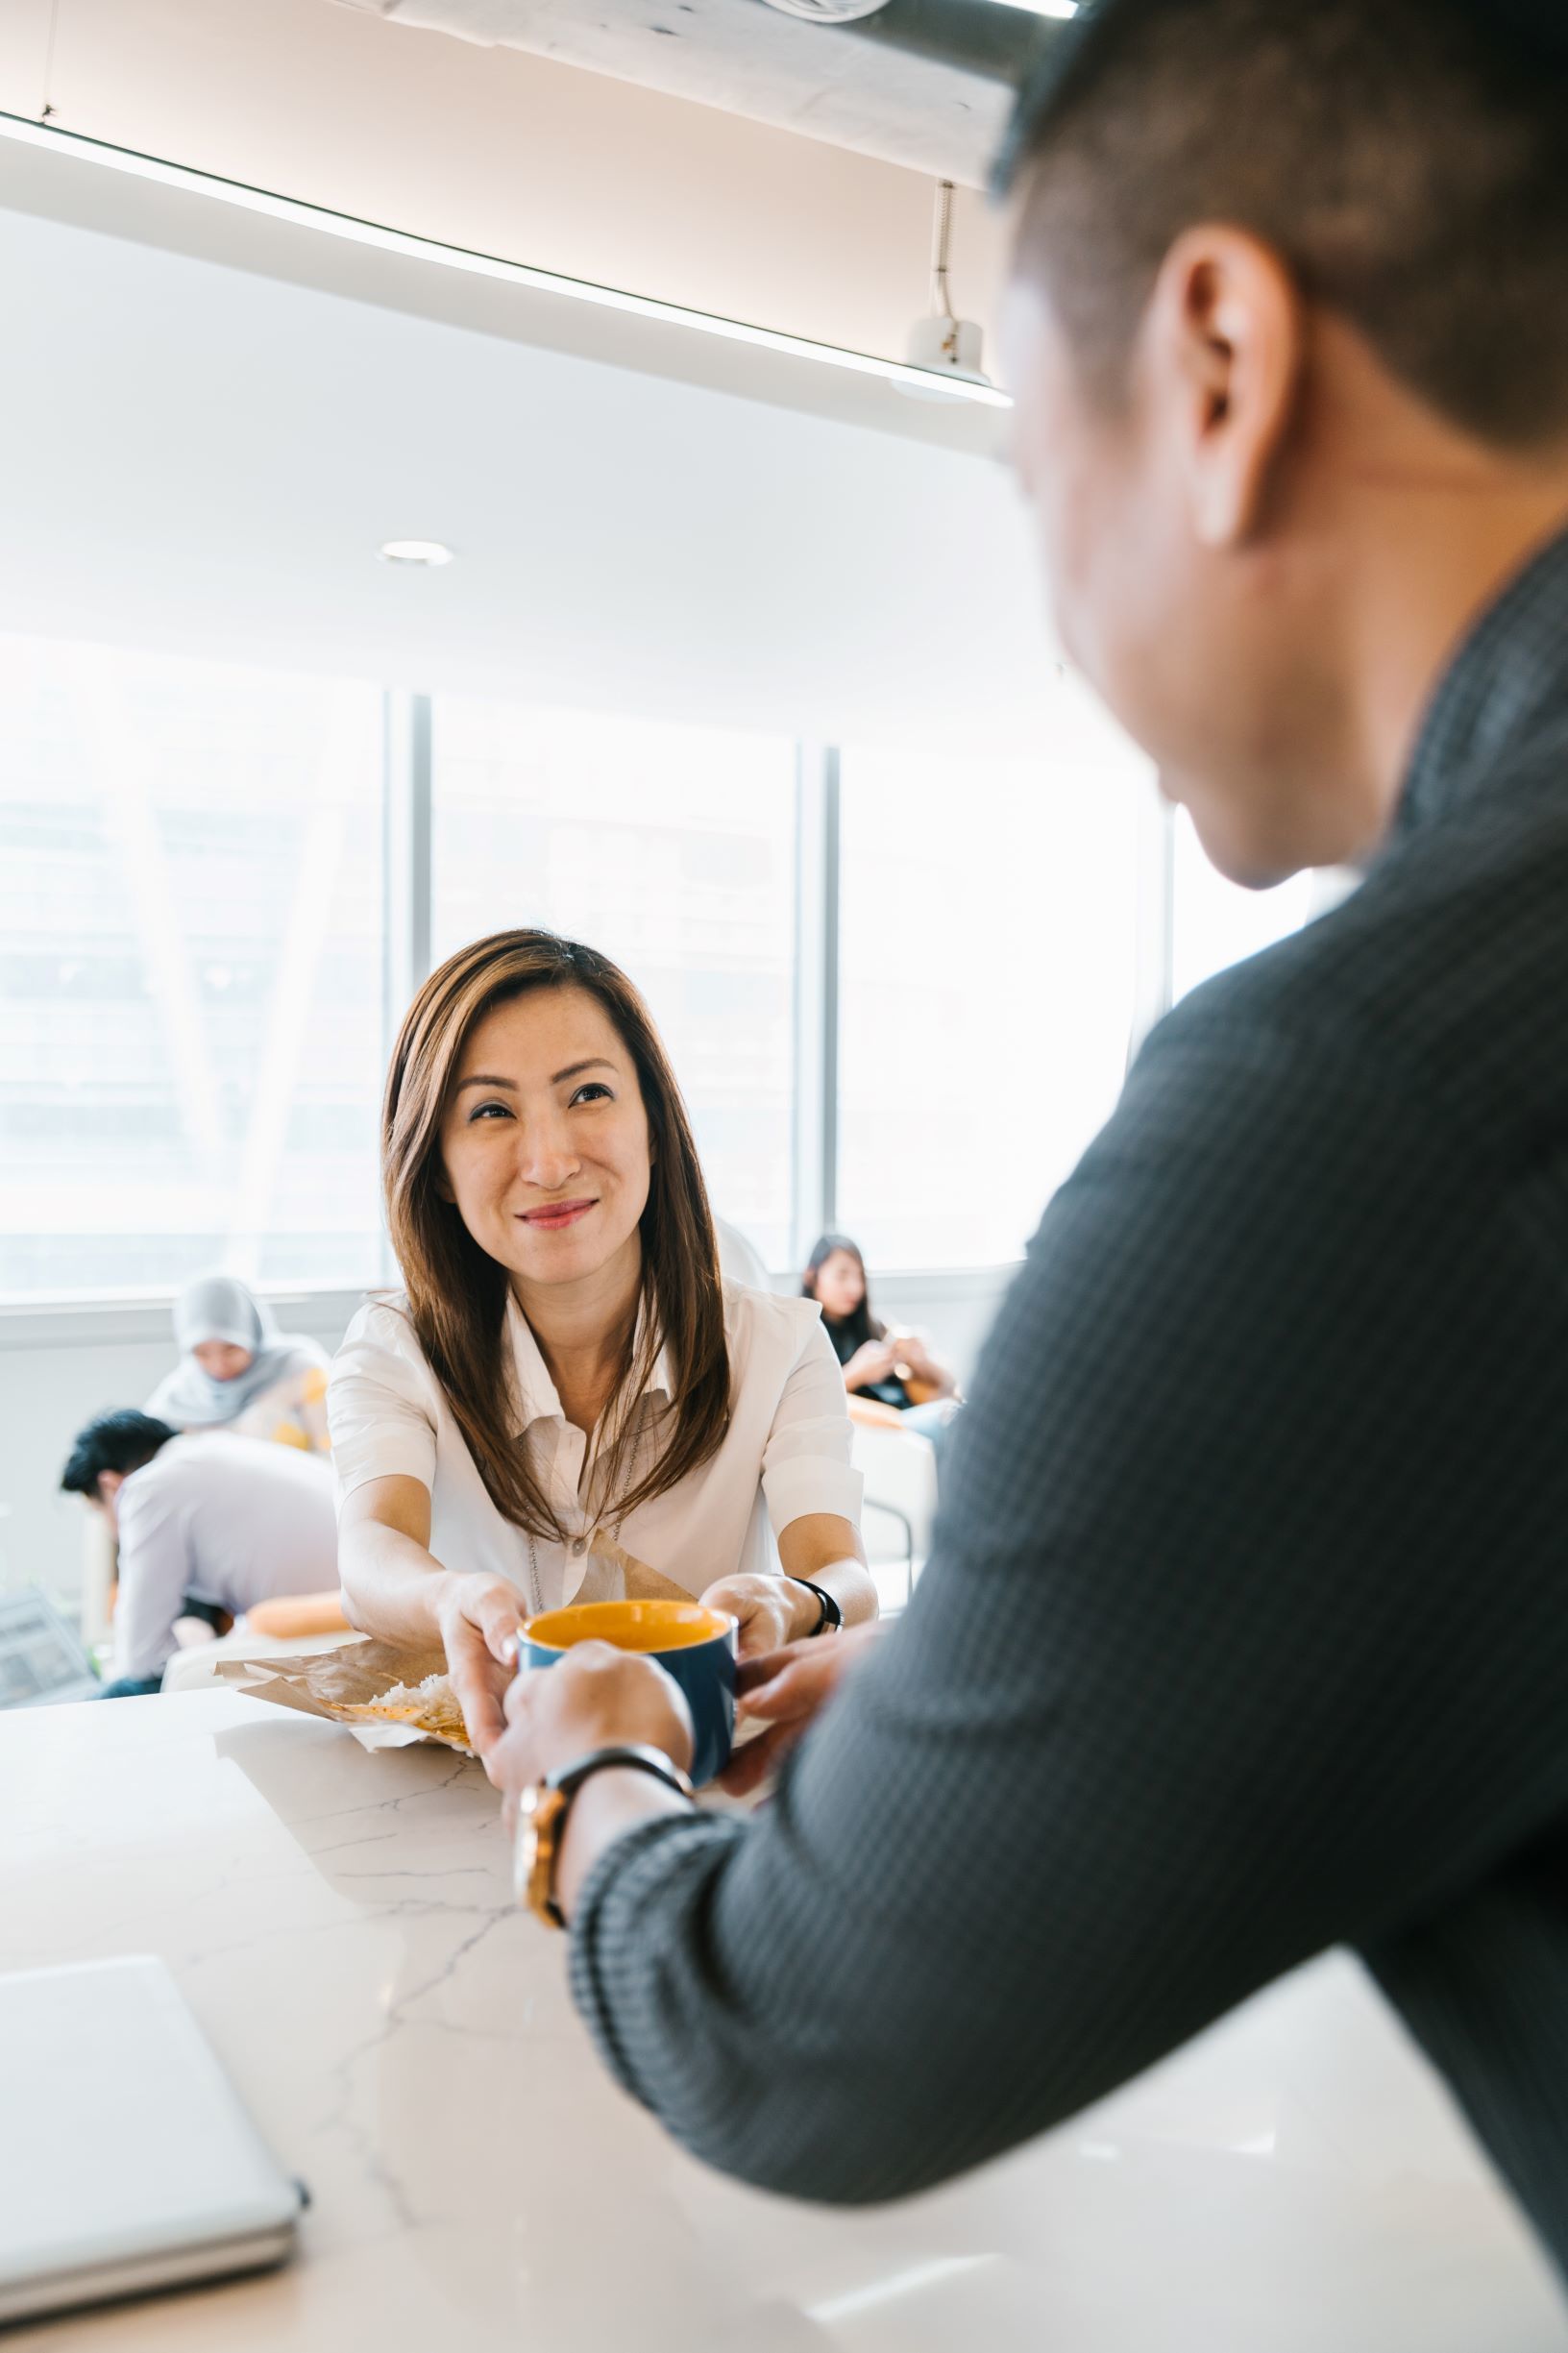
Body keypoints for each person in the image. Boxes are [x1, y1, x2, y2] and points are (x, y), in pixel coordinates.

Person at [485, 0, 1568, 2277]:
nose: (1060, 638)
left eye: (1025, 476)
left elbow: (783, 2025)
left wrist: (589, 1760)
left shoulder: (1354, 1108)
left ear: (1216, 357)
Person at [328, 929, 875, 1766]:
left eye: (586, 1094)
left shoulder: (782, 1346)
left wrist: (794, 1598)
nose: (549, 1162)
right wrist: (449, 1597)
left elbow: (845, 1574)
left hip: (710, 1788)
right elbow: (369, 1553)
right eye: (491, 1110)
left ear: (654, 1120)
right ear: (435, 1163)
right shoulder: (395, 1348)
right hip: (480, 1795)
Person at [60, 1409, 339, 1697]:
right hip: (351, 1610)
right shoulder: (213, 1449)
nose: (112, 1531)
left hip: (332, 1633)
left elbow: (140, 1659)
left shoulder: (149, 1486)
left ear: (111, 1485)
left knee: (115, 1695)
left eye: (99, 1510)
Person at [802, 1233, 961, 1465]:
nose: (854, 1287)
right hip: (883, 1434)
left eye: (859, 1276)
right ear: (812, 1276)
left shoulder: (875, 1326)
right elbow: (806, 1400)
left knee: (960, 1412)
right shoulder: (805, 1333)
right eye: (842, 1275)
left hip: (906, 1421)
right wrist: (856, 1374)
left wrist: (921, 1360)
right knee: (953, 1421)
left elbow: (949, 1384)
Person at [144, 1275, 331, 1454]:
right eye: (201, 1353)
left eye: (231, 1349)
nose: (218, 1364)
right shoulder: (179, 1395)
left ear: (252, 1332)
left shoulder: (298, 1369)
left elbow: (334, 1455)